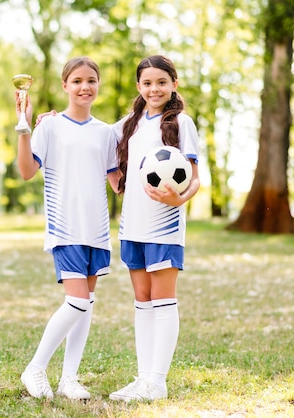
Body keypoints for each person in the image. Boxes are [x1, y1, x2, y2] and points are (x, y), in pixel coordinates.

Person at [14, 57, 119, 400]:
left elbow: (118, 182)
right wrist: (25, 128)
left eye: (91, 80)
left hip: (97, 231)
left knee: (86, 303)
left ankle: (69, 379)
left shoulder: (106, 133)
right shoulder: (50, 127)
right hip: (65, 227)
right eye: (76, 81)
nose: (85, 86)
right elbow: (27, 171)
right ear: (65, 86)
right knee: (75, 302)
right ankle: (35, 367)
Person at [108, 55, 201, 402]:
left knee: (163, 301)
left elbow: (194, 178)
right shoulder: (129, 124)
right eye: (147, 83)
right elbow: (94, 138)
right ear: (139, 87)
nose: (154, 89)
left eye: (161, 82)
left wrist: (181, 200)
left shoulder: (181, 123)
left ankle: (157, 382)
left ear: (174, 84)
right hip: (132, 226)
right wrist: (52, 120)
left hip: (164, 227)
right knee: (142, 302)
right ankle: (143, 379)